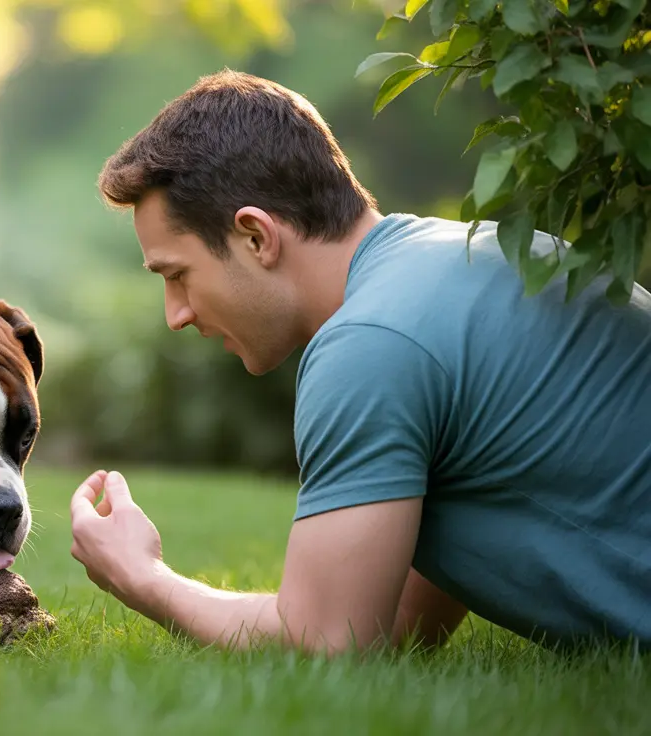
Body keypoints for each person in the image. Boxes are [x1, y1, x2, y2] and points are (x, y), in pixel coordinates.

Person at [68, 69, 651, 655]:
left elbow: (331, 638)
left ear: (255, 237)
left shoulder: (370, 341)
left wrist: (143, 579)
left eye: (177, 275)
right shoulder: (476, 258)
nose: (175, 314)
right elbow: (395, 624)